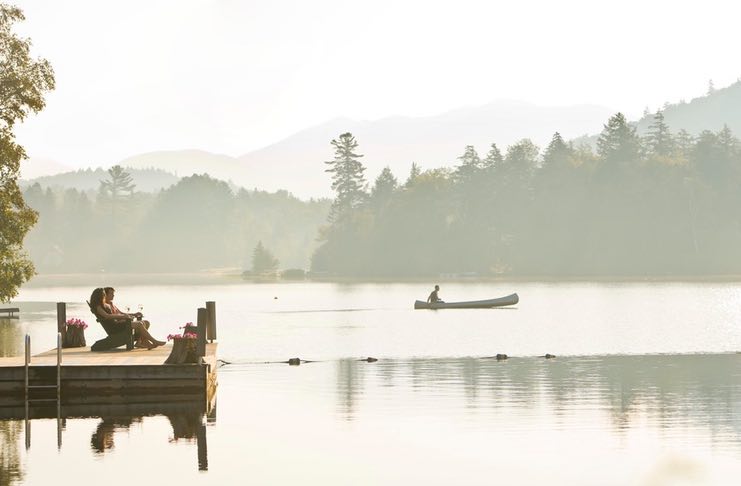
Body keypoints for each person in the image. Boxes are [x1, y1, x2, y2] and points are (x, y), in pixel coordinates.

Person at [89, 287, 164, 349]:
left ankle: (141, 342)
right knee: (139, 324)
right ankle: (153, 341)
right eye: (104, 295)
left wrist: (132, 314)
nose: (105, 296)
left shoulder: (107, 304)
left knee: (145, 322)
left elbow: (120, 313)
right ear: (100, 296)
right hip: (115, 327)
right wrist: (122, 316)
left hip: (118, 324)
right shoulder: (98, 306)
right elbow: (107, 316)